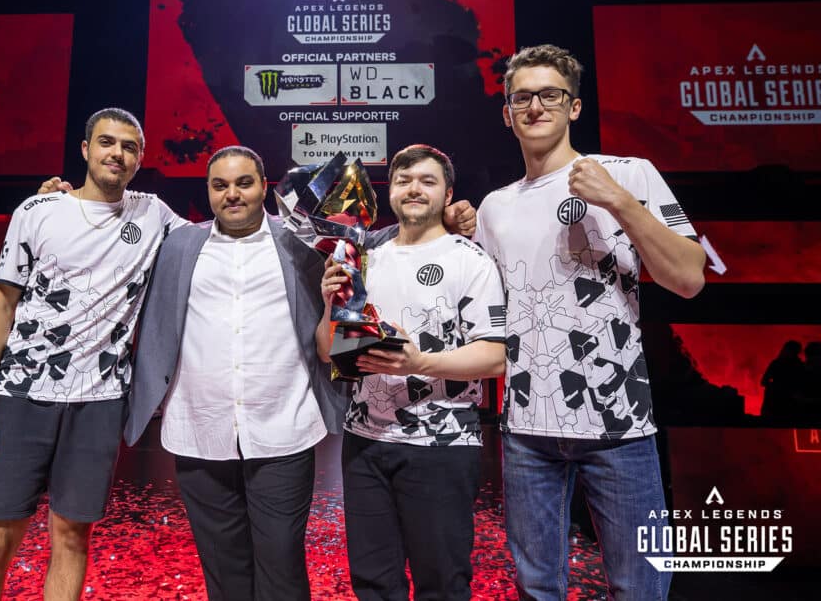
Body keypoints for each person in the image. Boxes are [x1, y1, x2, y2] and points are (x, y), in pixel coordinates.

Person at [123, 145, 478, 601]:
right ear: (208, 192)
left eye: (244, 183)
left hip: (282, 431)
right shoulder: (178, 243)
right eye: (220, 185)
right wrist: (64, 195)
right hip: (198, 432)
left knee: (282, 569)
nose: (233, 194)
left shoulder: (300, 242)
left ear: (264, 186)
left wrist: (444, 221)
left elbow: (365, 242)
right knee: (223, 572)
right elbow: (118, 219)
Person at [475, 44, 706, 600]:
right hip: (526, 428)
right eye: (522, 97)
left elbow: (689, 278)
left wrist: (621, 202)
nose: (535, 106)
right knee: (538, 590)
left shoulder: (630, 174)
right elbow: (488, 312)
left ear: (573, 106)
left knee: (640, 589)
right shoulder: (493, 208)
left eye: (549, 94)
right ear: (507, 112)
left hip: (619, 425)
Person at [0, 107, 187, 601]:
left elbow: (216, 243)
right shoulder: (37, 211)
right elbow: (0, 302)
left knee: (72, 536)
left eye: (128, 147)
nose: (116, 154)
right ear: (85, 150)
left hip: (100, 402)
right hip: (20, 395)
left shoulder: (154, 215)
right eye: (106, 143)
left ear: (140, 158)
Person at [317, 144, 507, 601]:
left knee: (441, 582)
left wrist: (420, 362)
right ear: (391, 192)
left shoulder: (470, 259)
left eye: (427, 180)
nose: (414, 189)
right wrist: (329, 304)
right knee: (373, 582)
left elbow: (496, 355)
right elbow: (328, 353)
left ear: (448, 194)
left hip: (440, 446)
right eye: (404, 181)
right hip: (365, 443)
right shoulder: (364, 258)